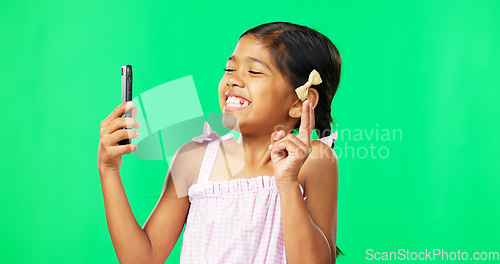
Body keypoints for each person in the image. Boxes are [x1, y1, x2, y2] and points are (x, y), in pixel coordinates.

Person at [98, 21, 342, 264]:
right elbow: (142, 259)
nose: (232, 80)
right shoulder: (193, 158)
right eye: (229, 69)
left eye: (254, 72)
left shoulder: (314, 160)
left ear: (300, 103)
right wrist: (108, 170)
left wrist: (287, 182)